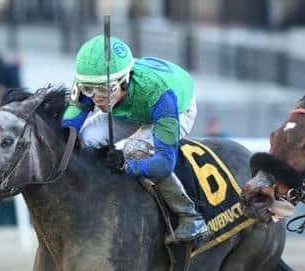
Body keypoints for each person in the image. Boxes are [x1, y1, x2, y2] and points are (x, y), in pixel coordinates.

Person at [61, 35, 208, 244]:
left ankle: (190, 216)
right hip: (127, 108)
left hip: (175, 108)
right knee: (85, 139)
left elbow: (165, 162)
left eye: (103, 90)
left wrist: (126, 166)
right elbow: (70, 125)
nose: (96, 98)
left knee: (134, 149)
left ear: (125, 79)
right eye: (88, 89)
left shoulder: (160, 93)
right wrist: (69, 132)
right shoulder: (94, 78)